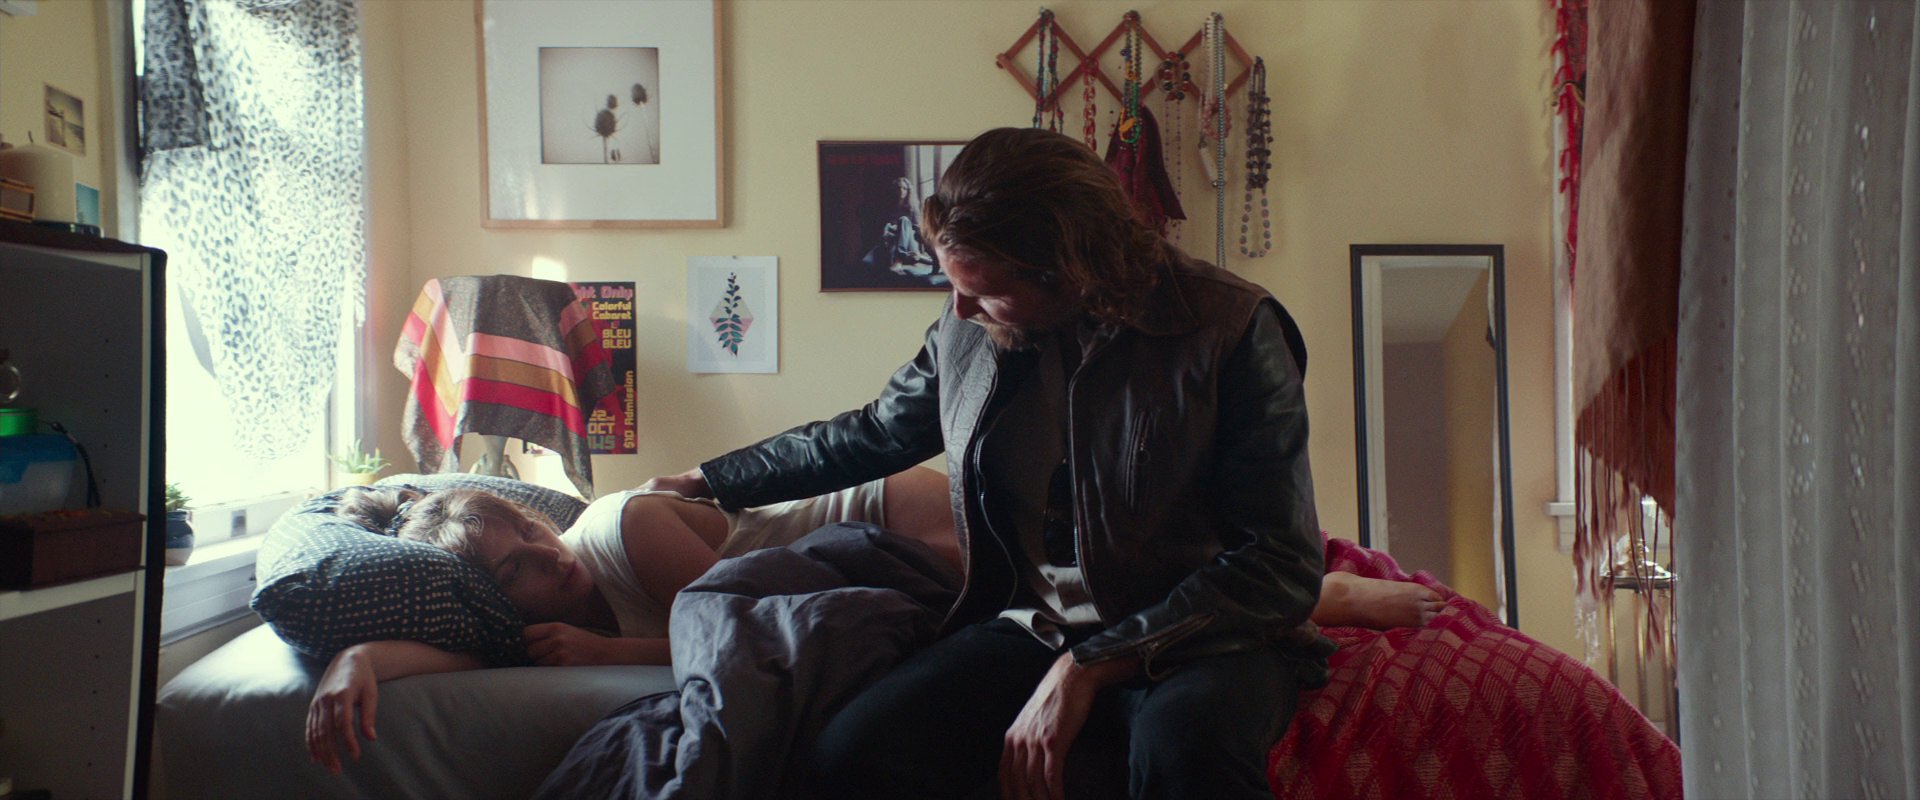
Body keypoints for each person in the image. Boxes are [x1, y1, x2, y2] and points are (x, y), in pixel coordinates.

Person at [641, 126, 1335, 799]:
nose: (960, 308)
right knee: (851, 756)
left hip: (1201, 637)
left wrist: (1088, 667)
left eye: (984, 290)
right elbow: (874, 433)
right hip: (1037, 627)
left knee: (1185, 753)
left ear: (1070, 271)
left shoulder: (1230, 328)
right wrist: (714, 478)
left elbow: (1280, 562)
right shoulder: (966, 330)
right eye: (954, 285)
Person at [303, 465, 958, 774]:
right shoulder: (532, 624)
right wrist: (357, 659)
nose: (547, 555)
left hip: (890, 515)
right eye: (514, 570)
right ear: (493, 599)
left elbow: (743, 631)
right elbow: (466, 654)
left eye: (530, 530)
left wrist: (610, 653)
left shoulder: (625, 527)